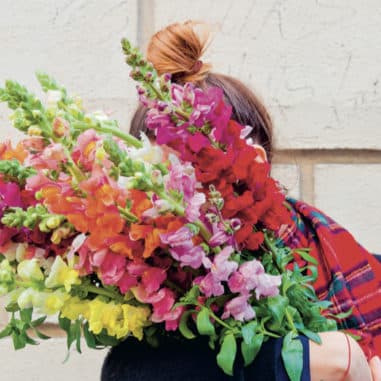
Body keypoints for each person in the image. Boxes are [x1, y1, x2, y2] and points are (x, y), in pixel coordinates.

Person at [102, 21, 381, 380]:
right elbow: (127, 371)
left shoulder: (352, 272)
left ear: (256, 166)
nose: (177, 200)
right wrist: (301, 360)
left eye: (194, 174)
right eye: (160, 180)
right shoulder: (154, 290)